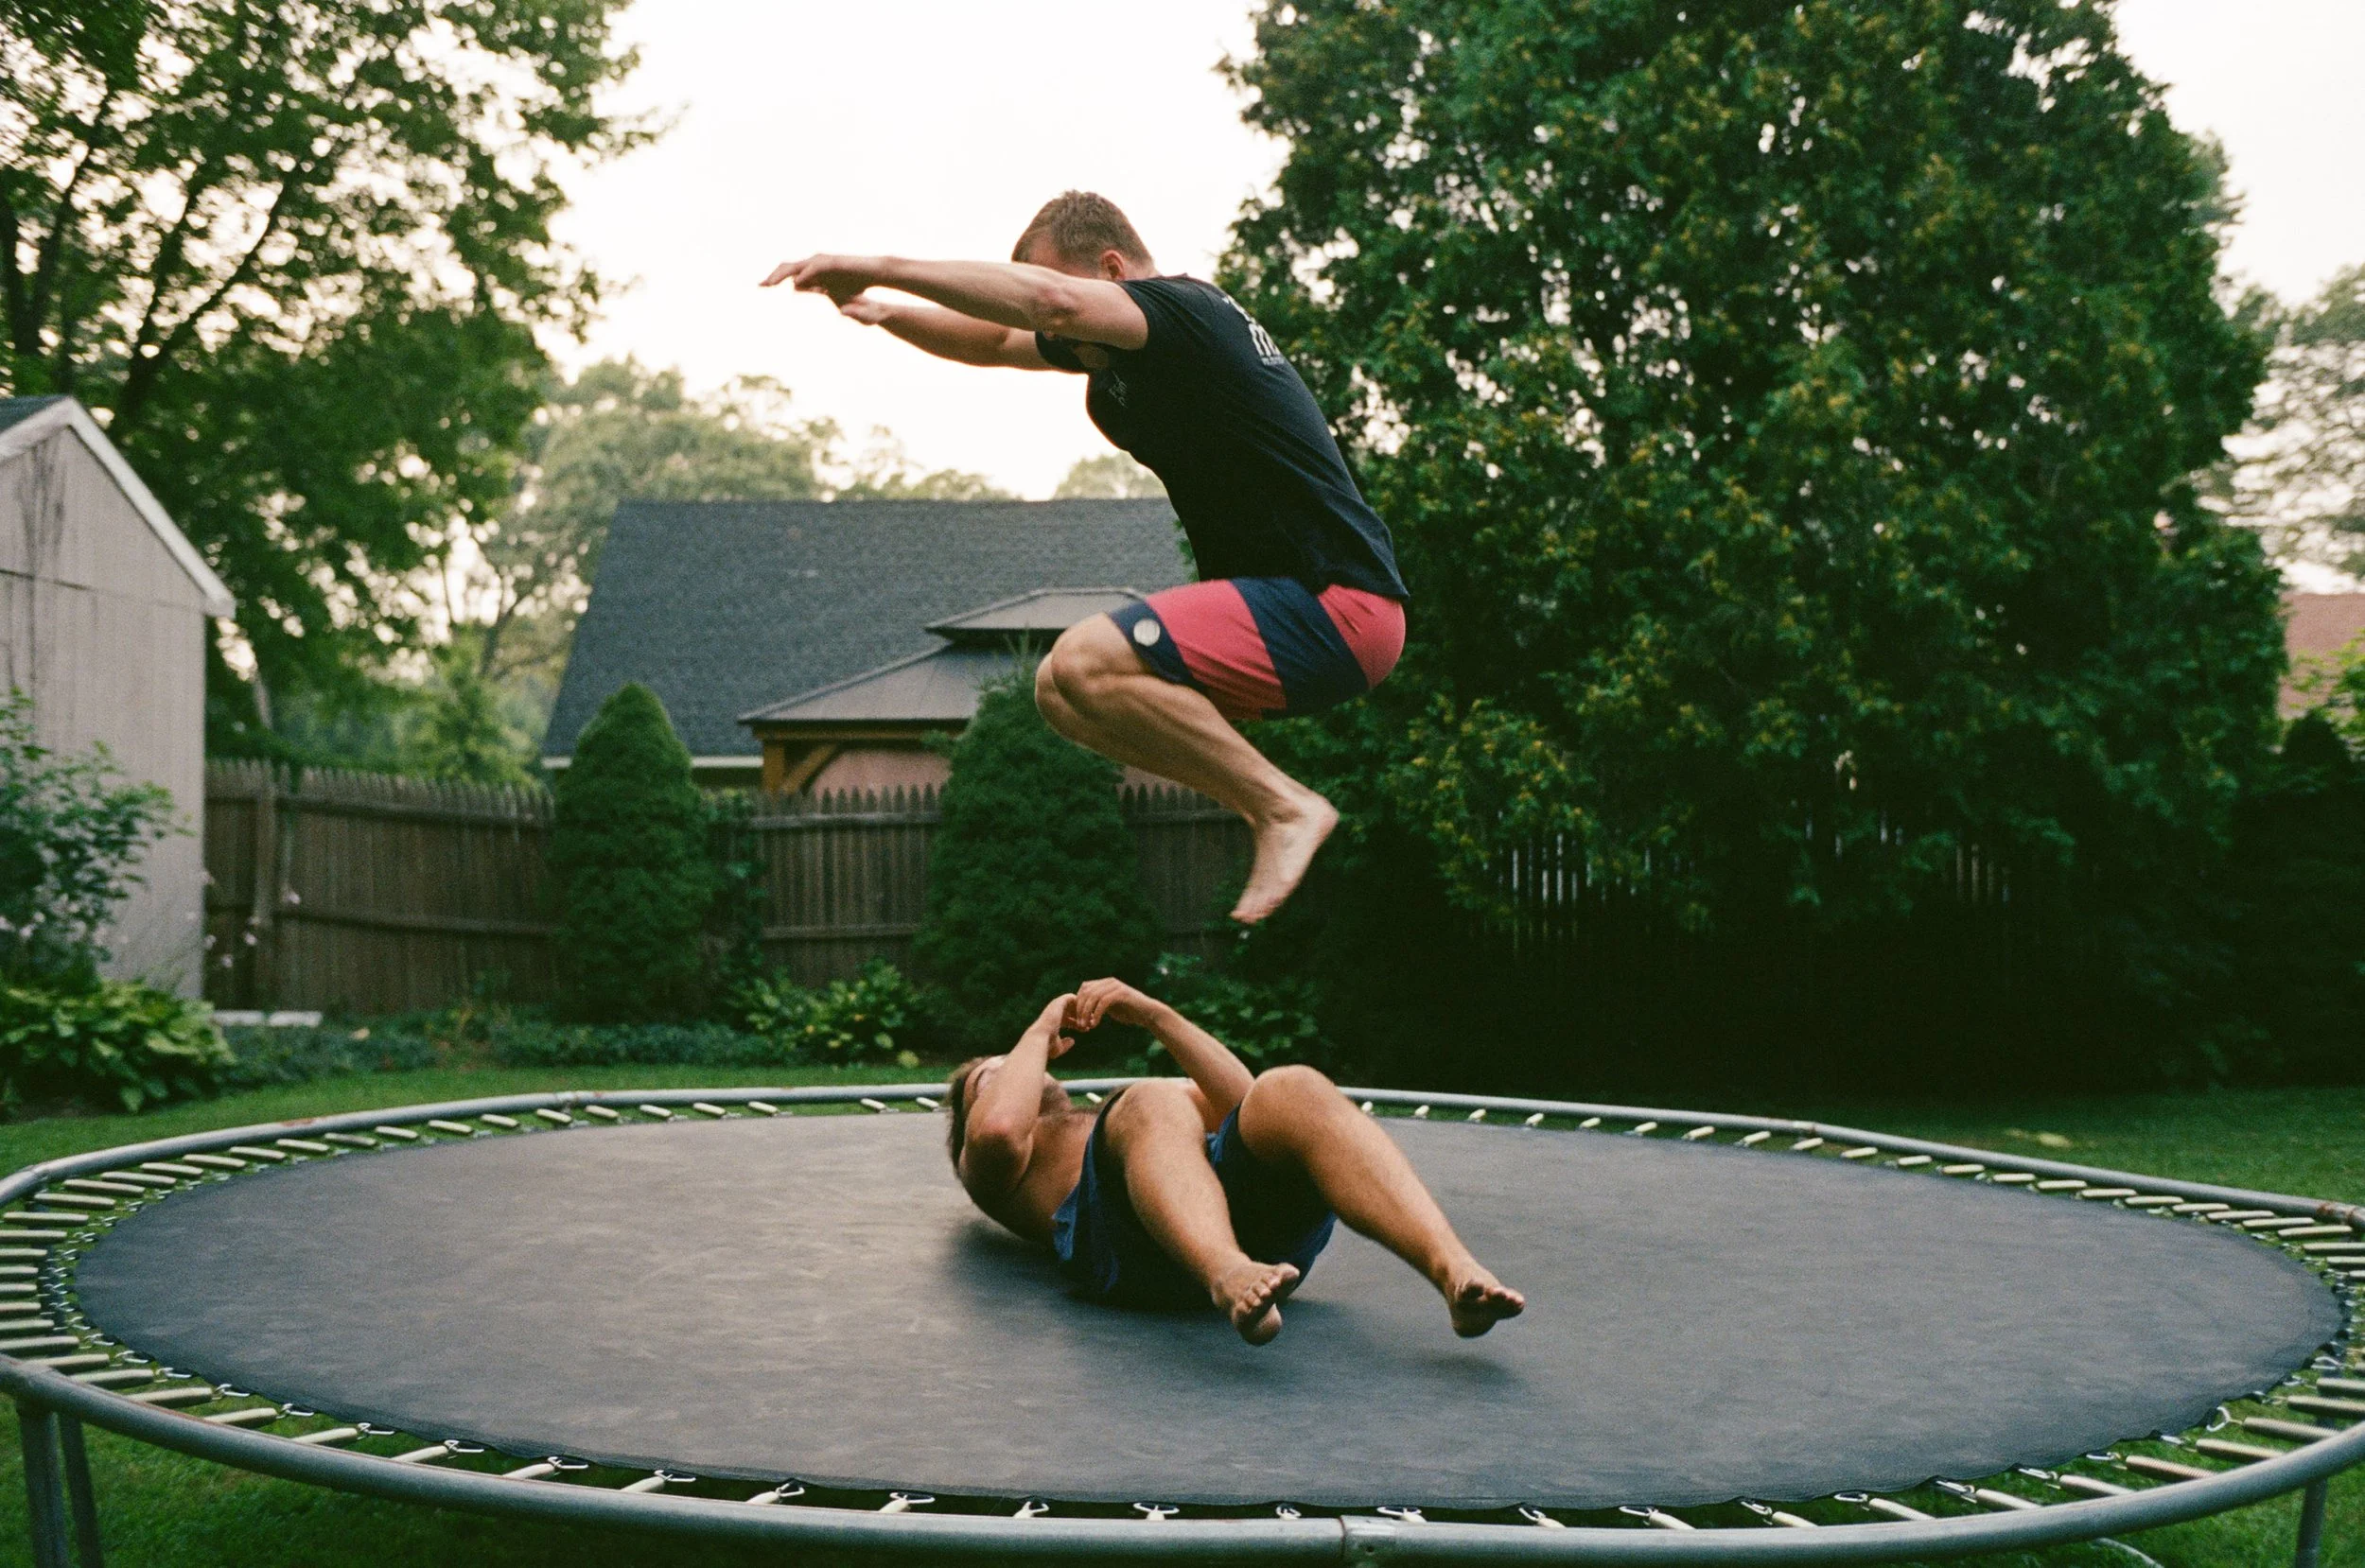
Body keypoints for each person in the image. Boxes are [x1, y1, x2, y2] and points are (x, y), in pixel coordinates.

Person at [761, 192, 1409, 924]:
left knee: (1083, 660)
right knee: (1061, 695)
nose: (1051, 328)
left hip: (1339, 604)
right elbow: (998, 341)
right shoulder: (1121, 350)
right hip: (1284, 618)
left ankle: (1285, 806)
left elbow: (1051, 303)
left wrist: (876, 264)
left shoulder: (1185, 312)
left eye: (1062, 302)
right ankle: (1269, 807)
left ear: (1111, 268)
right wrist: (886, 313)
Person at [945, 977, 1523, 1346]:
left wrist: (1154, 1016)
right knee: (1149, 1098)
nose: (1009, 1068)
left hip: (1252, 1237)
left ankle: (1454, 1273)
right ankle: (1227, 1272)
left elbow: (1243, 1103)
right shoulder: (994, 1167)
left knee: (1291, 1087)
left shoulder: (1115, 1124)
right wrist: (1040, 1027)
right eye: (988, 1078)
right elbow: (997, 1125)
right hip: (1138, 1258)